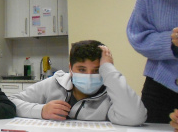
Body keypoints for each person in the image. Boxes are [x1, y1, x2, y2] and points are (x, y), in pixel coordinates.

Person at [9, 40, 147, 126]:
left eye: (97, 70)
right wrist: (42, 111)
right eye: (81, 69)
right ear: (70, 68)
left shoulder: (112, 93)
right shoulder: (54, 83)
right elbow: (11, 102)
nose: (89, 76)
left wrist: (109, 70)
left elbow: (135, 117)